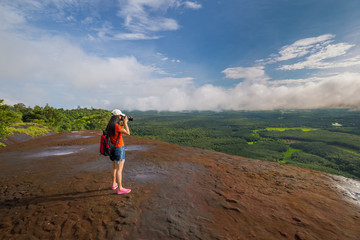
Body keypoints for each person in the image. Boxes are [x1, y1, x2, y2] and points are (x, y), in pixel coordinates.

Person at [106, 109, 131, 194]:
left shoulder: (110, 125)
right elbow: (128, 133)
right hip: (119, 148)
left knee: (114, 167)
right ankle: (120, 188)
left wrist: (123, 124)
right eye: (120, 116)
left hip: (113, 148)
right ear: (118, 116)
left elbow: (119, 131)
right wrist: (126, 123)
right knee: (119, 169)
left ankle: (114, 184)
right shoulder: (117, 126)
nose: (121, 117)